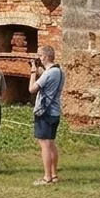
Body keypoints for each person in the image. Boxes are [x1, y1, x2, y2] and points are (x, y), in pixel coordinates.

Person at [28, 45, 63, 185]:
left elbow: (32, 89)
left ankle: (47, 177)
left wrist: (32, 72)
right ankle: (54, 175)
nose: (39, 58)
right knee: (52, 144)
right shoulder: (59, 71)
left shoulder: (48, 74)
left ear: (46, 57)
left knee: (45, 145)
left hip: (45, 112)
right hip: (55, 111)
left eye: (41, 56)